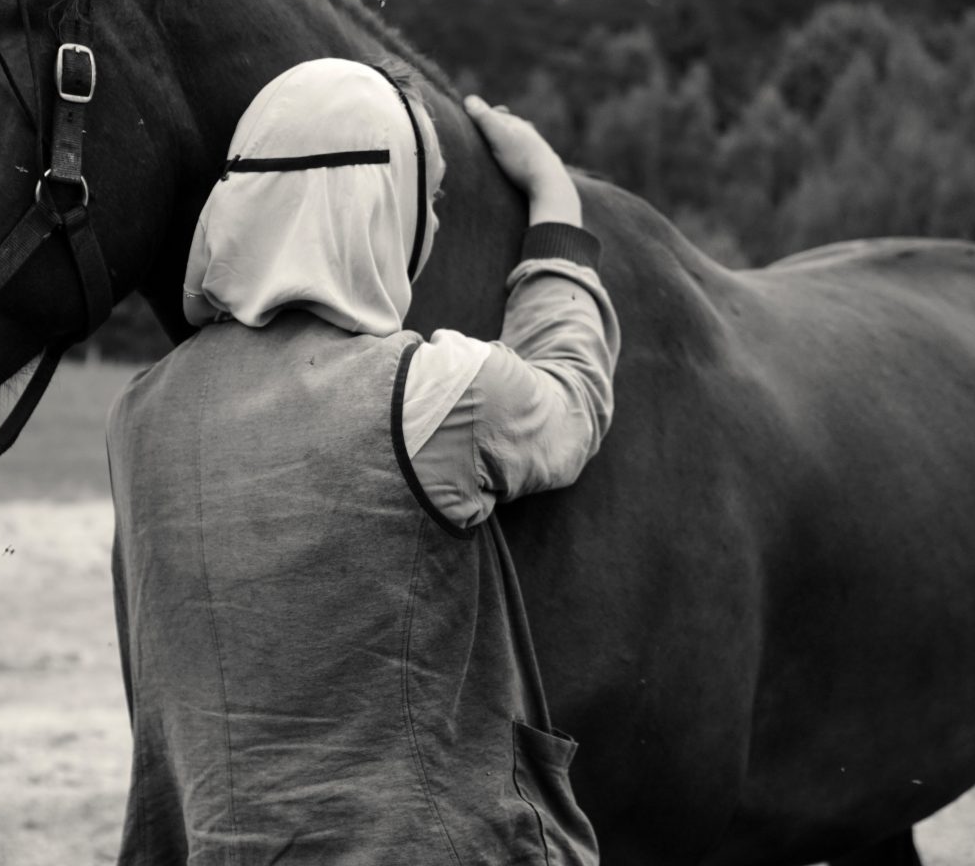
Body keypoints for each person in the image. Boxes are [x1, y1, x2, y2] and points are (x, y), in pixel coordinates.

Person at [107, 57, 620, 865]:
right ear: (375, 208)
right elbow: (573, 403)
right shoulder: (434, 394)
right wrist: (554, 199)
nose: (439, 228)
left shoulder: (138, 416)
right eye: (430, 201)